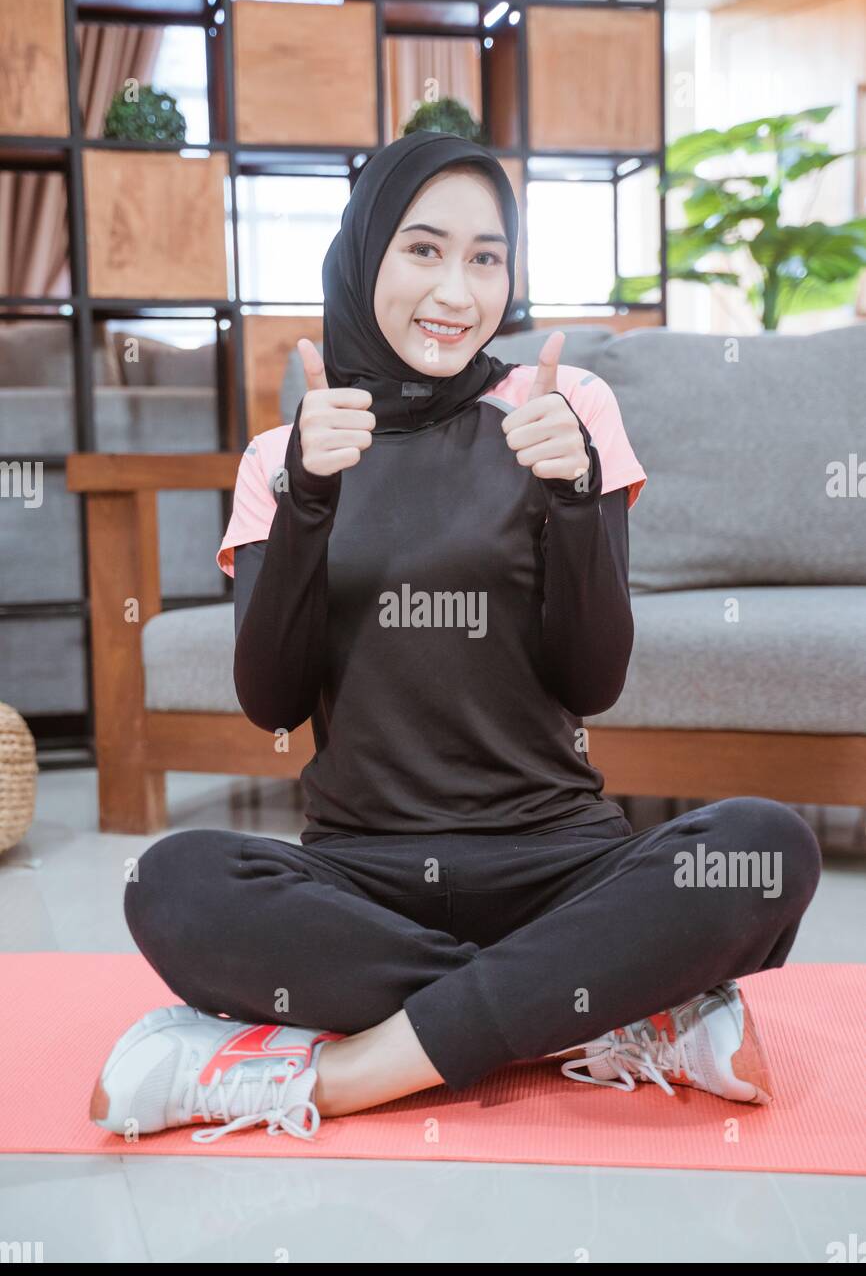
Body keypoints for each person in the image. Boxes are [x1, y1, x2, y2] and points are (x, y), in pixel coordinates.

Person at [90, 130, 822, 1145]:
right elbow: (269, 699)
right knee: (172, 884)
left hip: (558, 862)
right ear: (363, 256)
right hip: (361, 877)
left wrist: (570, 497)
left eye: (485, 257)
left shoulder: (564, 409)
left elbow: (593, 678)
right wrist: (307, 499)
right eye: (422, 248)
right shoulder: (285, 452)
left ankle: (337, 1071)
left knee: (761, 847)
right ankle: (614, 1002)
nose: (456, 288)